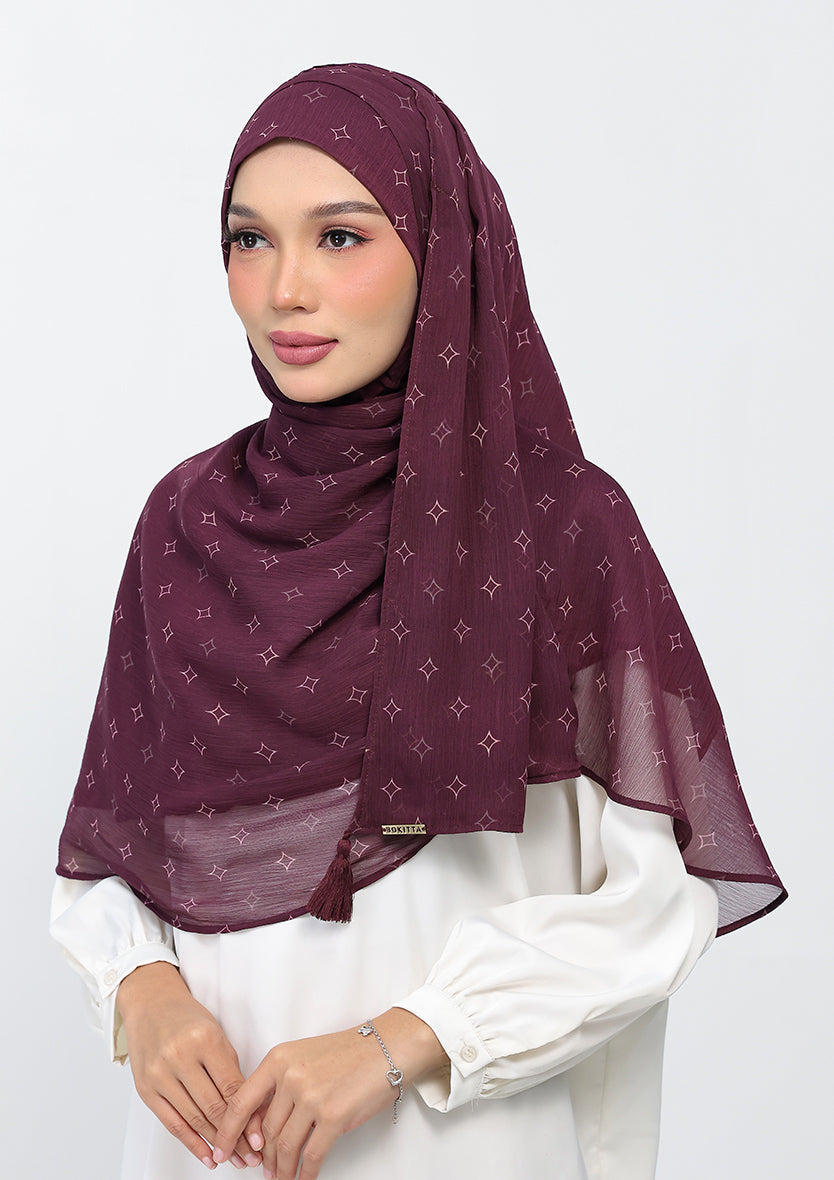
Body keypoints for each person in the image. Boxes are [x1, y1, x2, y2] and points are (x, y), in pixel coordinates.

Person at [50, 63, 786, 1180]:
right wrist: (139, 988)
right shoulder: (185, 523)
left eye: (340, 237)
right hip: (210, 1146)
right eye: (249, 240)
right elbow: (112, 849)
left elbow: (657, 902)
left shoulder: (561, 529)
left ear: (444, 250)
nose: (284, 289)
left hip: (464, 1138)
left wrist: (402, 1041)